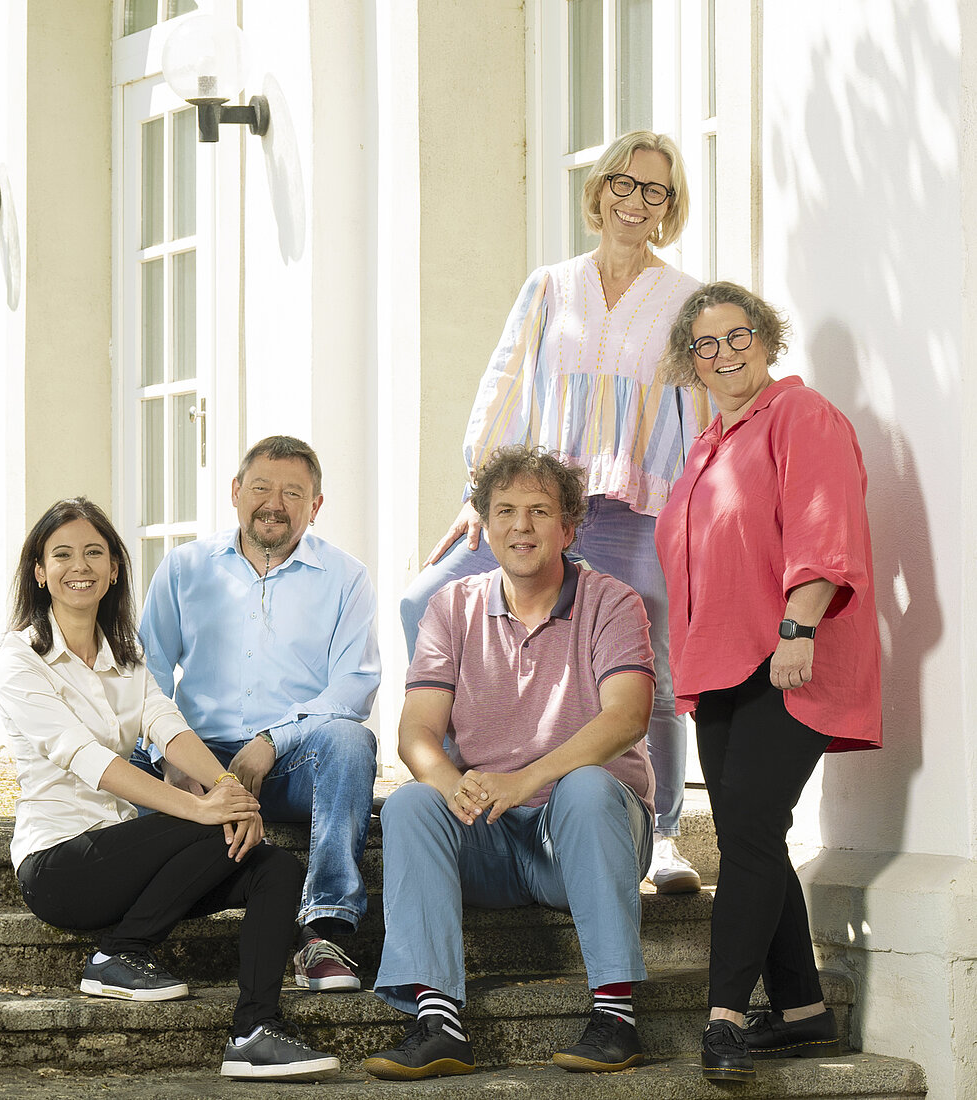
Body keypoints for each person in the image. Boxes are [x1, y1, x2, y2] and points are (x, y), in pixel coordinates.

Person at [399, 131, 712, 894]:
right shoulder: (549, 285)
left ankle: (664, 833)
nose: (635, 201)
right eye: (623, 184)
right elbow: (504, 384)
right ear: (599, 189)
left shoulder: (684, 299)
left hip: (636, 508)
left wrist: (694, 521)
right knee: (423, 598)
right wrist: (483, 495)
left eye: (655, 191)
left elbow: (695, 414)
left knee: (655, 671)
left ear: (669, 209)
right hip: (540, 506)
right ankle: (470, 774)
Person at [0, 498, 340, 1081]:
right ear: (39, 570)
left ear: (113, 570)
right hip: (60, 866)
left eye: (94, 553)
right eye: (61, 555)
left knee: (274, 869)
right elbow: (91, 762)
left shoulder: (124, 653)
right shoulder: (20, 658)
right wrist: (202, 807)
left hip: (129, 858)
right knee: (207, 825)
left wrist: (231, 790)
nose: (78, 566)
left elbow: (168, 726)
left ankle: (254, 1031)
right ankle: (120, 952)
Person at [365, 446, 657, 1080]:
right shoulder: (452, 607)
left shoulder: (614, 603)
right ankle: (437, 1022)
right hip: (491, 838)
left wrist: (527, 779)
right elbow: (416, 730)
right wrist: (452, 783)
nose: (520, 526)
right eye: (505, 511)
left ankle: (615, 1018)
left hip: (583, 836)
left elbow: (627, 717)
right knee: (414, 801)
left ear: (569, 527)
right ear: (485, 524)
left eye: (539, 511)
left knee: (584, 787)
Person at [654, 282, 882, 1082]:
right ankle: (803, 1010)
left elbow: (826, 524)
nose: (724, 354)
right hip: (721, 667)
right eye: (705, 345)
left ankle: (722, 1017)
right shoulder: (705, 446)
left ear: (766, 337)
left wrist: (799, 624)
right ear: (692, 363)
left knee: (746, 835)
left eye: (737, 334)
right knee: (755, 831)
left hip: (789, 655)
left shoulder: (798, 413)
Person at [135, 435, 381, 993]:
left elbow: (354, 687)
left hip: (293, 765)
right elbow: (144, 673)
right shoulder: (184, 568)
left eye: (293, 492)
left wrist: (275, 738)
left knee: (350, 742)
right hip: (199, 757)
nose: (275, 503)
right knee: (126, 752)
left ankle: (325, 932)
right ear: (235, 492)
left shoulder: (347, 578)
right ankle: (137, 938)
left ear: (315, 506)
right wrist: (170, 752)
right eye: (262, 487)